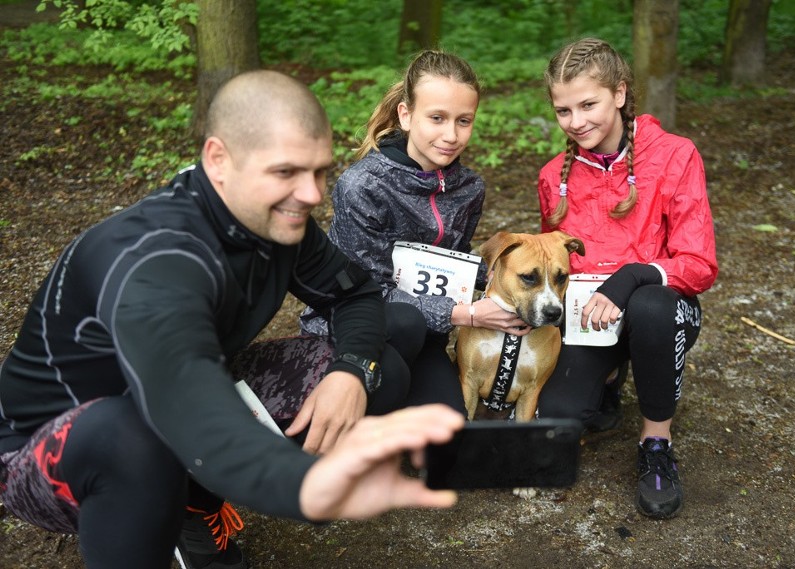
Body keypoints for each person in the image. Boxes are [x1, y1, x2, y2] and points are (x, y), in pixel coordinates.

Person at [0, 70, 466, 569]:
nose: (310, 195)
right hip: (49, 453)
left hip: (186, 391)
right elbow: (189, 402)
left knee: (382, 366)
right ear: (218, 159)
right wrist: (303, 485)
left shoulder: (277, 219)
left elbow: (358, 296)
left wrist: (350, 371)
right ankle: (166, 515)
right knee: (129, 439)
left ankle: (194, 503)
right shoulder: (157, 260)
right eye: (286, 172)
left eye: (319, 172)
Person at [536, 38, 718, 519]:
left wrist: (634, 274)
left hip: (656, 310)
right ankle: (609, 381)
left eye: (588, 104)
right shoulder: (554, 174)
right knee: (556, 420)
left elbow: (699, 264)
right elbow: (553, 265)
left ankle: (656, 442)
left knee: (650, 306)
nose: (577, 122)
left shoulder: (676, 155)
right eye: (563, 110)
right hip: (587, 321)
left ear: (619, 93)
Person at [301, 50, 531, 415]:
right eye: (437, 118)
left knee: (448, 432)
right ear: (406, 115)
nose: (451, 135)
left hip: (426, 336)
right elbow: (365, 293)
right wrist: (468, 314)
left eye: (464, 120)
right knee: (404, 325)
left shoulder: (469, 187)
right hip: (352, 333)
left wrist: (521, 281)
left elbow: (456, 261)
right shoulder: (363, 186)